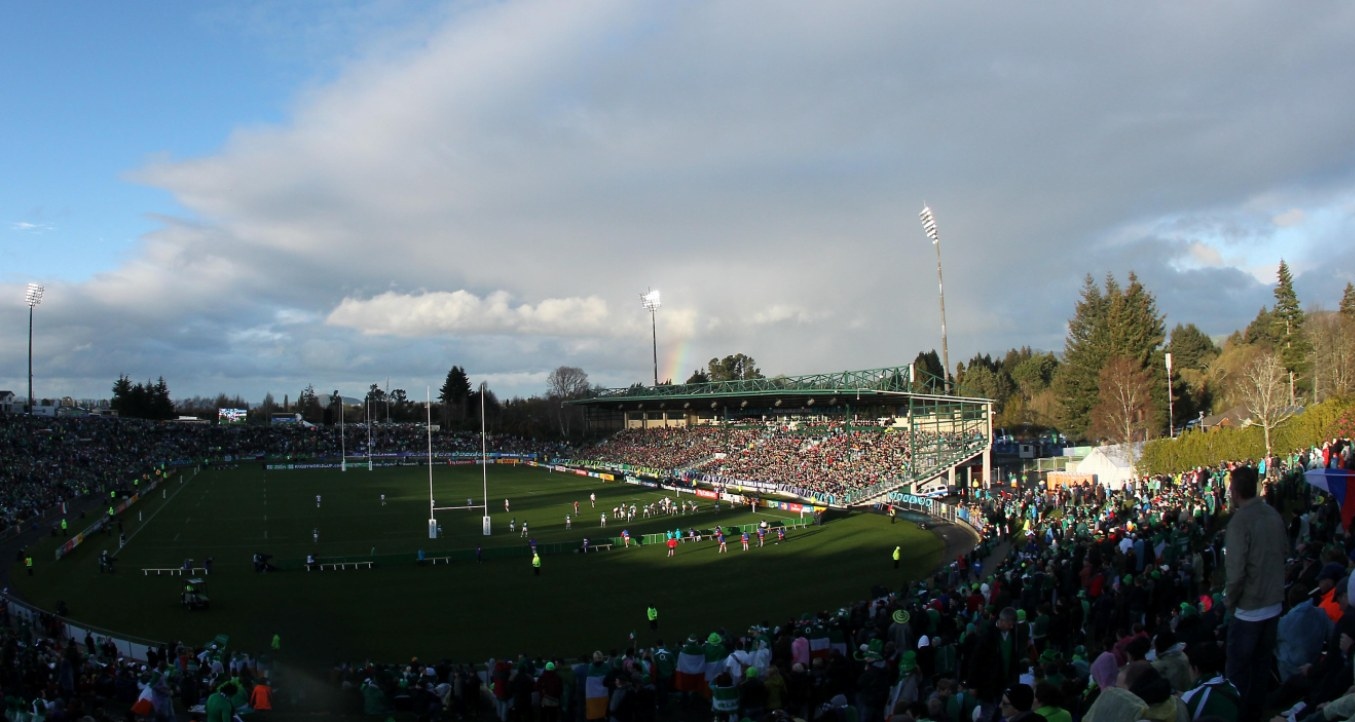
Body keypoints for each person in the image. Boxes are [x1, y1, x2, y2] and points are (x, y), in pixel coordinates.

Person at [1224, 465, 1287, 722]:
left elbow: (1236, 572)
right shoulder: (1273, 514)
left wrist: (1229, 600)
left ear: (1235, 491)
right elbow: (1285, 551)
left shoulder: (1239, 523)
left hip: (1249, 609)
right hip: (1274, 603)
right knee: (1261, 668)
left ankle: (1237, 716)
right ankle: (1255, 715)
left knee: (1238, 672)